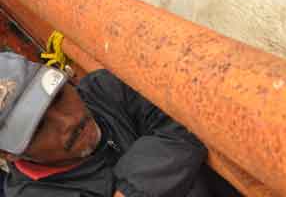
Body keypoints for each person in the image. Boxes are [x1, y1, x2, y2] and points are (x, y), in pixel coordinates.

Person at [0, 52, 236, 197]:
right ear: (8, 154)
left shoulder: (104, 89)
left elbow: (188, 118)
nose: (69, 121)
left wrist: (132, 190)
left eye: (58, 96)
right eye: (38, 128)